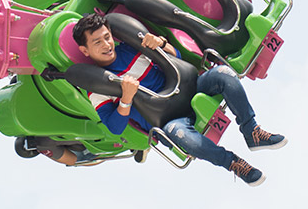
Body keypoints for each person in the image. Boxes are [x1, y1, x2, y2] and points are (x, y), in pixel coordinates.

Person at [72, 14, 288, 186]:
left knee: (223, 73)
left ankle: (252, 131)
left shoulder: (131, 48)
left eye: (107, 37)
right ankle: (234, 163)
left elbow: (178, 59)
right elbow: (115, 128)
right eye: (97, 42)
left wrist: (161, 45)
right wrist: (126, 99)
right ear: (85, 50)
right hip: (169, 120)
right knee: (182, 136)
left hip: (187, 90)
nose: (106, 45)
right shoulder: (98, 87)